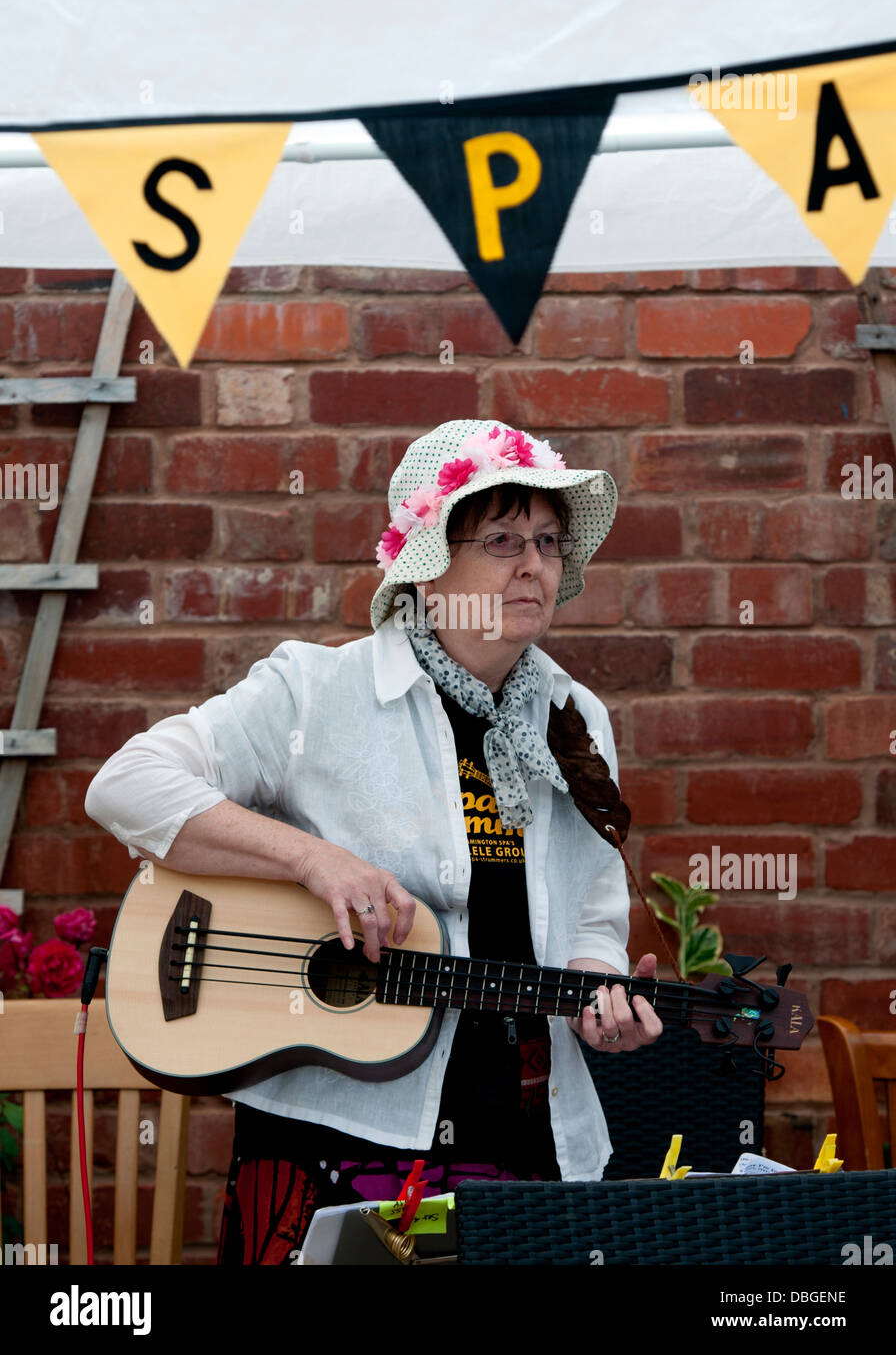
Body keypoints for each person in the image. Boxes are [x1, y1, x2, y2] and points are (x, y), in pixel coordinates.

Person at [84, 417, 662, 1264]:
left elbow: (591, 920)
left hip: (524, 1138)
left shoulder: (576, 720)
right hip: (329, 1141)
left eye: (545, 539)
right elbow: (127, 785)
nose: (534, 562)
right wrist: (314, 860)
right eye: (501, 538)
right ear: (430, 564)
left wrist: (596, 990)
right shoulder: (319, 692)